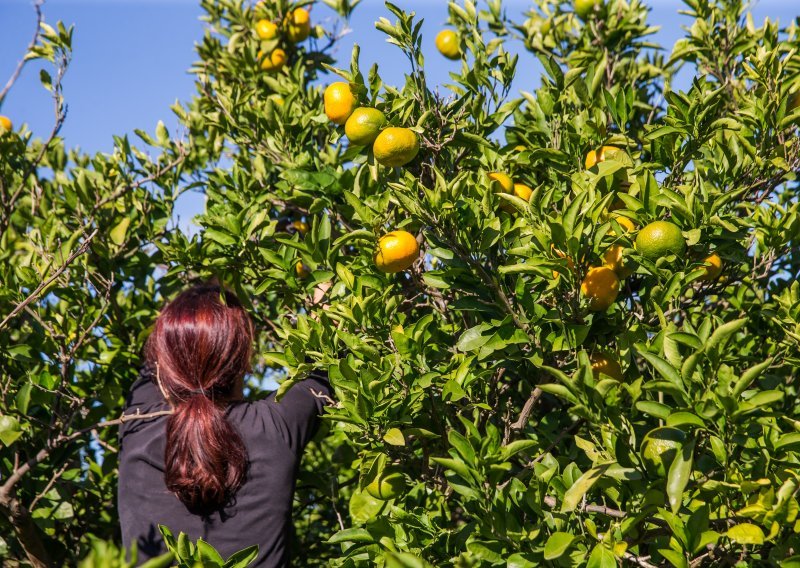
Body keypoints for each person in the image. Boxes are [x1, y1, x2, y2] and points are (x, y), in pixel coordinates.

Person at [118, 284, 332, 567]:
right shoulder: (276, 425)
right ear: (245, 361)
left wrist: (176, 323)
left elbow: (152, 370)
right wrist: (322, 308)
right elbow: (328, 367)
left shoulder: (136, 426)